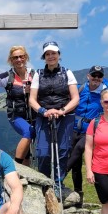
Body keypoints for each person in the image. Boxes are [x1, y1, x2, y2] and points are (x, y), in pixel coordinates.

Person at [28, 41, 79, 198]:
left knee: (62, 151)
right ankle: (44, 182)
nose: (51, 56)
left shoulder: (67, 73)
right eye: (47, 54)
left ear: (59, 55)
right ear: (44, 56)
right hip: (44, 117)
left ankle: (58, 182)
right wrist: (43, 111)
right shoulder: (38, 74)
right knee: (43, 152)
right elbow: (32, 99)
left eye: (53, 53)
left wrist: (62, 110)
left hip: (65, 117)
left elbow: (75, 98)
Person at [66, 65, 108, 206]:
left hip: (91, 130)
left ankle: (59, 178)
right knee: (75, 162)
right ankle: (78, 195)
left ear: (102, 78)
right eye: (93, 75)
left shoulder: (105, 94)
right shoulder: (80, 89)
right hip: (73, 129)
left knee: (78, 150)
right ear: (88, 76)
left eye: (99, 76)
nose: (96, 78)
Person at [0, 45, 36, 165]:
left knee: (29, 145)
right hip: (16, 115)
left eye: (21, 56)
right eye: (15, 57)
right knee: (29, 131)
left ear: (26, 58)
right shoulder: (8, 77)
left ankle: (26, 174)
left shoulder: (35, 75)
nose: (19, 60)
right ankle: (17, 166)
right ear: (11, 60)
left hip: (34, 116)